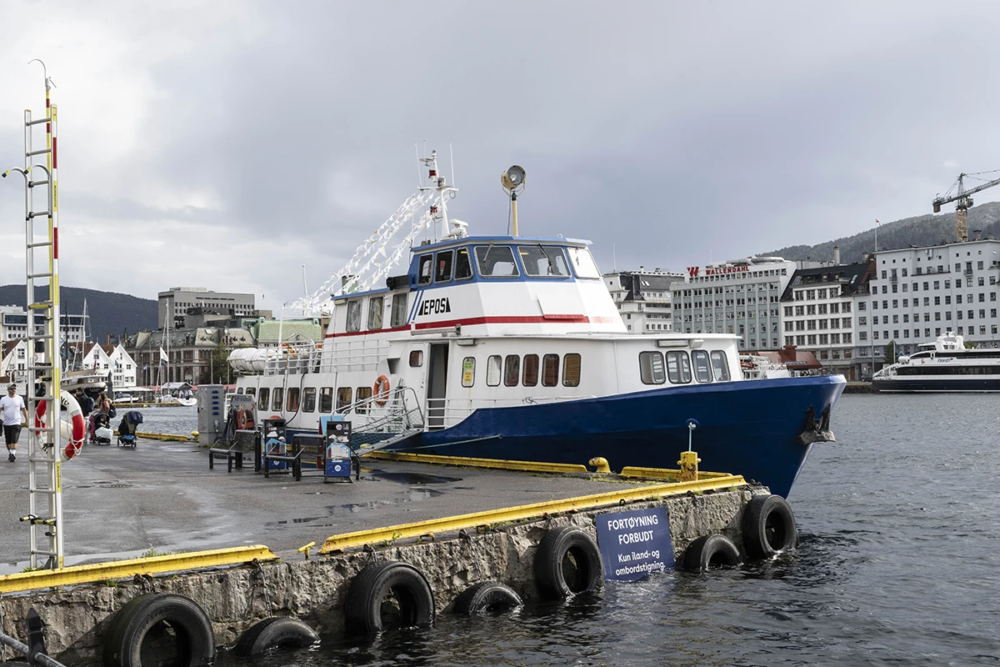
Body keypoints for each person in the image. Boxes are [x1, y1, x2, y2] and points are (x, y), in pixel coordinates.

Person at [0, 383, 28, 462]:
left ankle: (13, 454)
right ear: (8, 389)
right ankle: (10, 453)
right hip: (6, 423)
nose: (13, 390)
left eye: (14, 388)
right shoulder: (3, 399)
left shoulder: (19, 398)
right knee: (8, 441)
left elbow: (24, 409)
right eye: (12, 388)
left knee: (14, 439)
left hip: (16, 423)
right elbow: (0, 409)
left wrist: (27, 420)